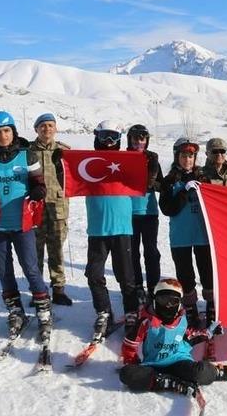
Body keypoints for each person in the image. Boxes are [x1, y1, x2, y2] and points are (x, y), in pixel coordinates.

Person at [0, 111, 52, 339]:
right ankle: (15, 311)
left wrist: (36, 193)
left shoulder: (27, 156)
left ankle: (44, 312)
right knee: (5, 270)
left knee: (31, 268)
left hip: (23, 223)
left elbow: (40, 184)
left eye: (7, 130)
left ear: (13, 131)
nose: (3, 135)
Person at [84, 121, 141, 338]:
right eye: (105, 136)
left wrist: (150, 163)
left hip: (122, 228)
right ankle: (104, 312)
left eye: (114, 137)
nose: (109, 142)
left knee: (126, 276)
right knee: (95, 274)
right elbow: (66, 179)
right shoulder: (88, 162)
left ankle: (131, 312)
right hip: (97, 229)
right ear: (97, 136)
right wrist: (60, 163)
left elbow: (147, 181)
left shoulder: (128, 162)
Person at [118, 278, 218, 396]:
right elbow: (130, 344)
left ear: (179, 303)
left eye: (173, 301)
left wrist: (209, 332)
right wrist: (133, 363)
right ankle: (167, 381)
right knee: (127, 374)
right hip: (153, 365)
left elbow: (190, 337)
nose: (167, 305)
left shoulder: (182, 319)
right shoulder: (147, 321)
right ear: (155, 300)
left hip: (179, 361)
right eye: (163, 300)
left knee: (202, 372)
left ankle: (214, 372)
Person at [159, 137, 213, 329]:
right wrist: (184, 192)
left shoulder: (203, 177)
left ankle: (211, 305)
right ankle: (191, 308)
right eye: (184, 156)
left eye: (191, 156)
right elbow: (167, 209)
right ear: (177, 156)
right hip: (180, 236)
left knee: (207, 271)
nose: (188, 160)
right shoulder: (169, 180)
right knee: (186, 273)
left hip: (202, 235)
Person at [29, 113, 73, 306]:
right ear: (36, 129)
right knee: (35, 251)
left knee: (56, 249)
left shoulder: (64, 152)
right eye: (42, 126)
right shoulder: (27, 152)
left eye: (50, 125)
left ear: (55, 128)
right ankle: (38, 291)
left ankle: (59, 289)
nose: (46, 129)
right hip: (35, 207)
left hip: (58, 207)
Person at [127, 124, 164, 303]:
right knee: (132, 251)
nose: (139, 142)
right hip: (128, 212)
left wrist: (152, 177)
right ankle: (137, 286)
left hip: (149, 212)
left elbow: (161, 186)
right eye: (135, 138)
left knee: (151, 251)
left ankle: (153, 286)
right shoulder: (123, 158)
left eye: (142, 139)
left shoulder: (151, 159)